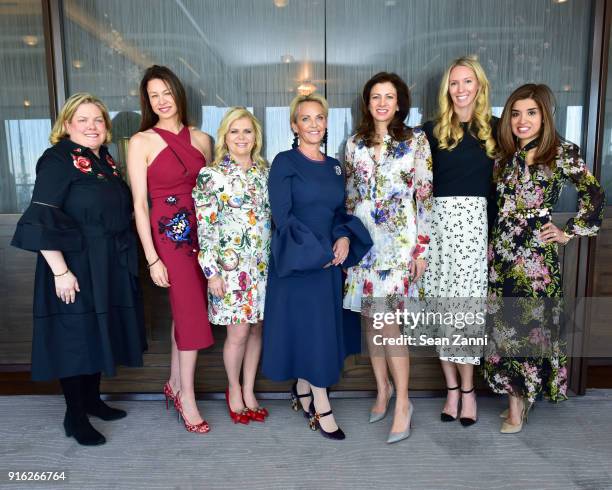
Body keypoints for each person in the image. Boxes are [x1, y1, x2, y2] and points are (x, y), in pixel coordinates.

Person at [11, 93, 146, 446]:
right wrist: (60, 271)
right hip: (73, 264)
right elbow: (41, 218)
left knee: (95, 332)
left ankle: (91, 401)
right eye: (82, 120)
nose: (91, 126)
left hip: (105, 263)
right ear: (67, 124)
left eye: (98, 120)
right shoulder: (57, 159)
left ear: (106, 127)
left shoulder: (104, 160)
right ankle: (74, 416)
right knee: (75, 338)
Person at [484, 83, 604, 433]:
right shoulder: (503, 156)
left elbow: (594, 193)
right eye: (516, 113)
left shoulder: (561, 152)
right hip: (502, 251)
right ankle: (516, 397)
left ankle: (518, 406)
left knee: (528, 327)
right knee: (504, 327)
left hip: (535, 257)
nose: (523, 121)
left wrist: (570, 230)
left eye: (531, 113)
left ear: (544, 116)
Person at [262, 93, 372, 440]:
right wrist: (318, 251)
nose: (313, 124)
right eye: (305, 119)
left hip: (328, 261)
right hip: (299, 260)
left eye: (319, 118)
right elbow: (283, 217)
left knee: (319, 330)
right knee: (311, 331)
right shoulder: (284, 162)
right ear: (294, 125)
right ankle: (321, 404)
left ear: (326, 123)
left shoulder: (334, 166)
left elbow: (339, 213)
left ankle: (304, 388)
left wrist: (341, 238)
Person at [343, 72, 433, 443]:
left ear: (399, 103)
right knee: (371, 321)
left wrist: (422, 249)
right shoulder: (354, 144)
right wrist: (346, 241)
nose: (382, 102)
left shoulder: (416, 142)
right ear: (368, 103)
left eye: (389, 96)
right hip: (364, 246)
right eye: (375, 96)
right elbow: (349, 198)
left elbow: (424, 197)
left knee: (389, 324)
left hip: (398, 247)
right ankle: (382, 390)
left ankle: (404, 403)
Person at [128, 65, 214, 434]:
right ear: (148, 102)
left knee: (185, 311)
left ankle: (174, 383)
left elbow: (212, 193)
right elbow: (140, 205)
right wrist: (152, 258)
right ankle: (187, 398)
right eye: (153, 95)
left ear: (178, 94)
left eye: (166, 92)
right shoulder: (141, 141)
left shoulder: (202, 139)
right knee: (192, 312)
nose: (162, 101)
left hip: (202, 235)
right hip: (168, 236)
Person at [421, 56, 497, 426]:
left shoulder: (497, 131)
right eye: (454, 83)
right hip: (437, 231)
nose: (461, 89)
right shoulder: (430, 132)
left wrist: (492, 236)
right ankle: (450, 388)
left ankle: (468, 390)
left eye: (468, 82)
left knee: (465, 315)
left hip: (473, 230)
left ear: (479, 87)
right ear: (447, 89)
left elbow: (501, 191)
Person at [193, 107, 271, 424]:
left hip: (264, 267)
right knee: (237, 333)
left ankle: (250, 389)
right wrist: (211, 273)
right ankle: (234, 389)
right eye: (235, 131)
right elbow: (205, 226)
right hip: (230, 269)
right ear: (225, 136)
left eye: (247, 131)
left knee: (256, 330)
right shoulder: (211, 175)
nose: (241, 137)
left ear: (256, 137)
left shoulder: (265, 173)